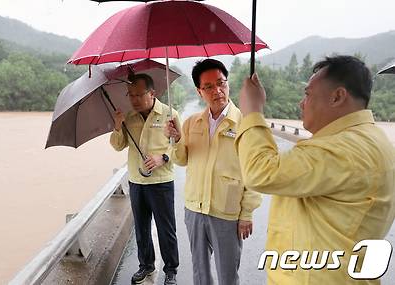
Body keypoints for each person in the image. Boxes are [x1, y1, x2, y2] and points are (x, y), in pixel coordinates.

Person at [236, 55, 395, 284]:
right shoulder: (372, 139)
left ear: (338, 96)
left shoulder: (342, 149)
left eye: (308, 94)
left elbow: (261, 172)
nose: (302, 103)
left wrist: (252, 111)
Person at [163, 58, 262, 285]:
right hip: (195, 210)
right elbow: (182, 160)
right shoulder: (191, 124)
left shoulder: (246, 124)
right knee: (201, 273)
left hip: (226, 212)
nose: (217, 90)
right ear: (199, 92)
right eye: (208, 86)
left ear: (228, 84)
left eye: (221, 83)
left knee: (227, 275)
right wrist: (176, 139)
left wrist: (246, 213)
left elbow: (255, 173)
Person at [110, 73, 180, 285]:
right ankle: (146, 265)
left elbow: (181, 146)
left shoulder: (169, 114)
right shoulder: (128, 117)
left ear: (153, 93)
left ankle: (171, 270)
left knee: (165, 228)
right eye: (130, 95)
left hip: (161, 182)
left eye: (139, 95)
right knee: (141, 228)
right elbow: (117, 145)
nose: (134, 99)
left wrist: (164, 157)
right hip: (137, 182)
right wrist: (117, 125)